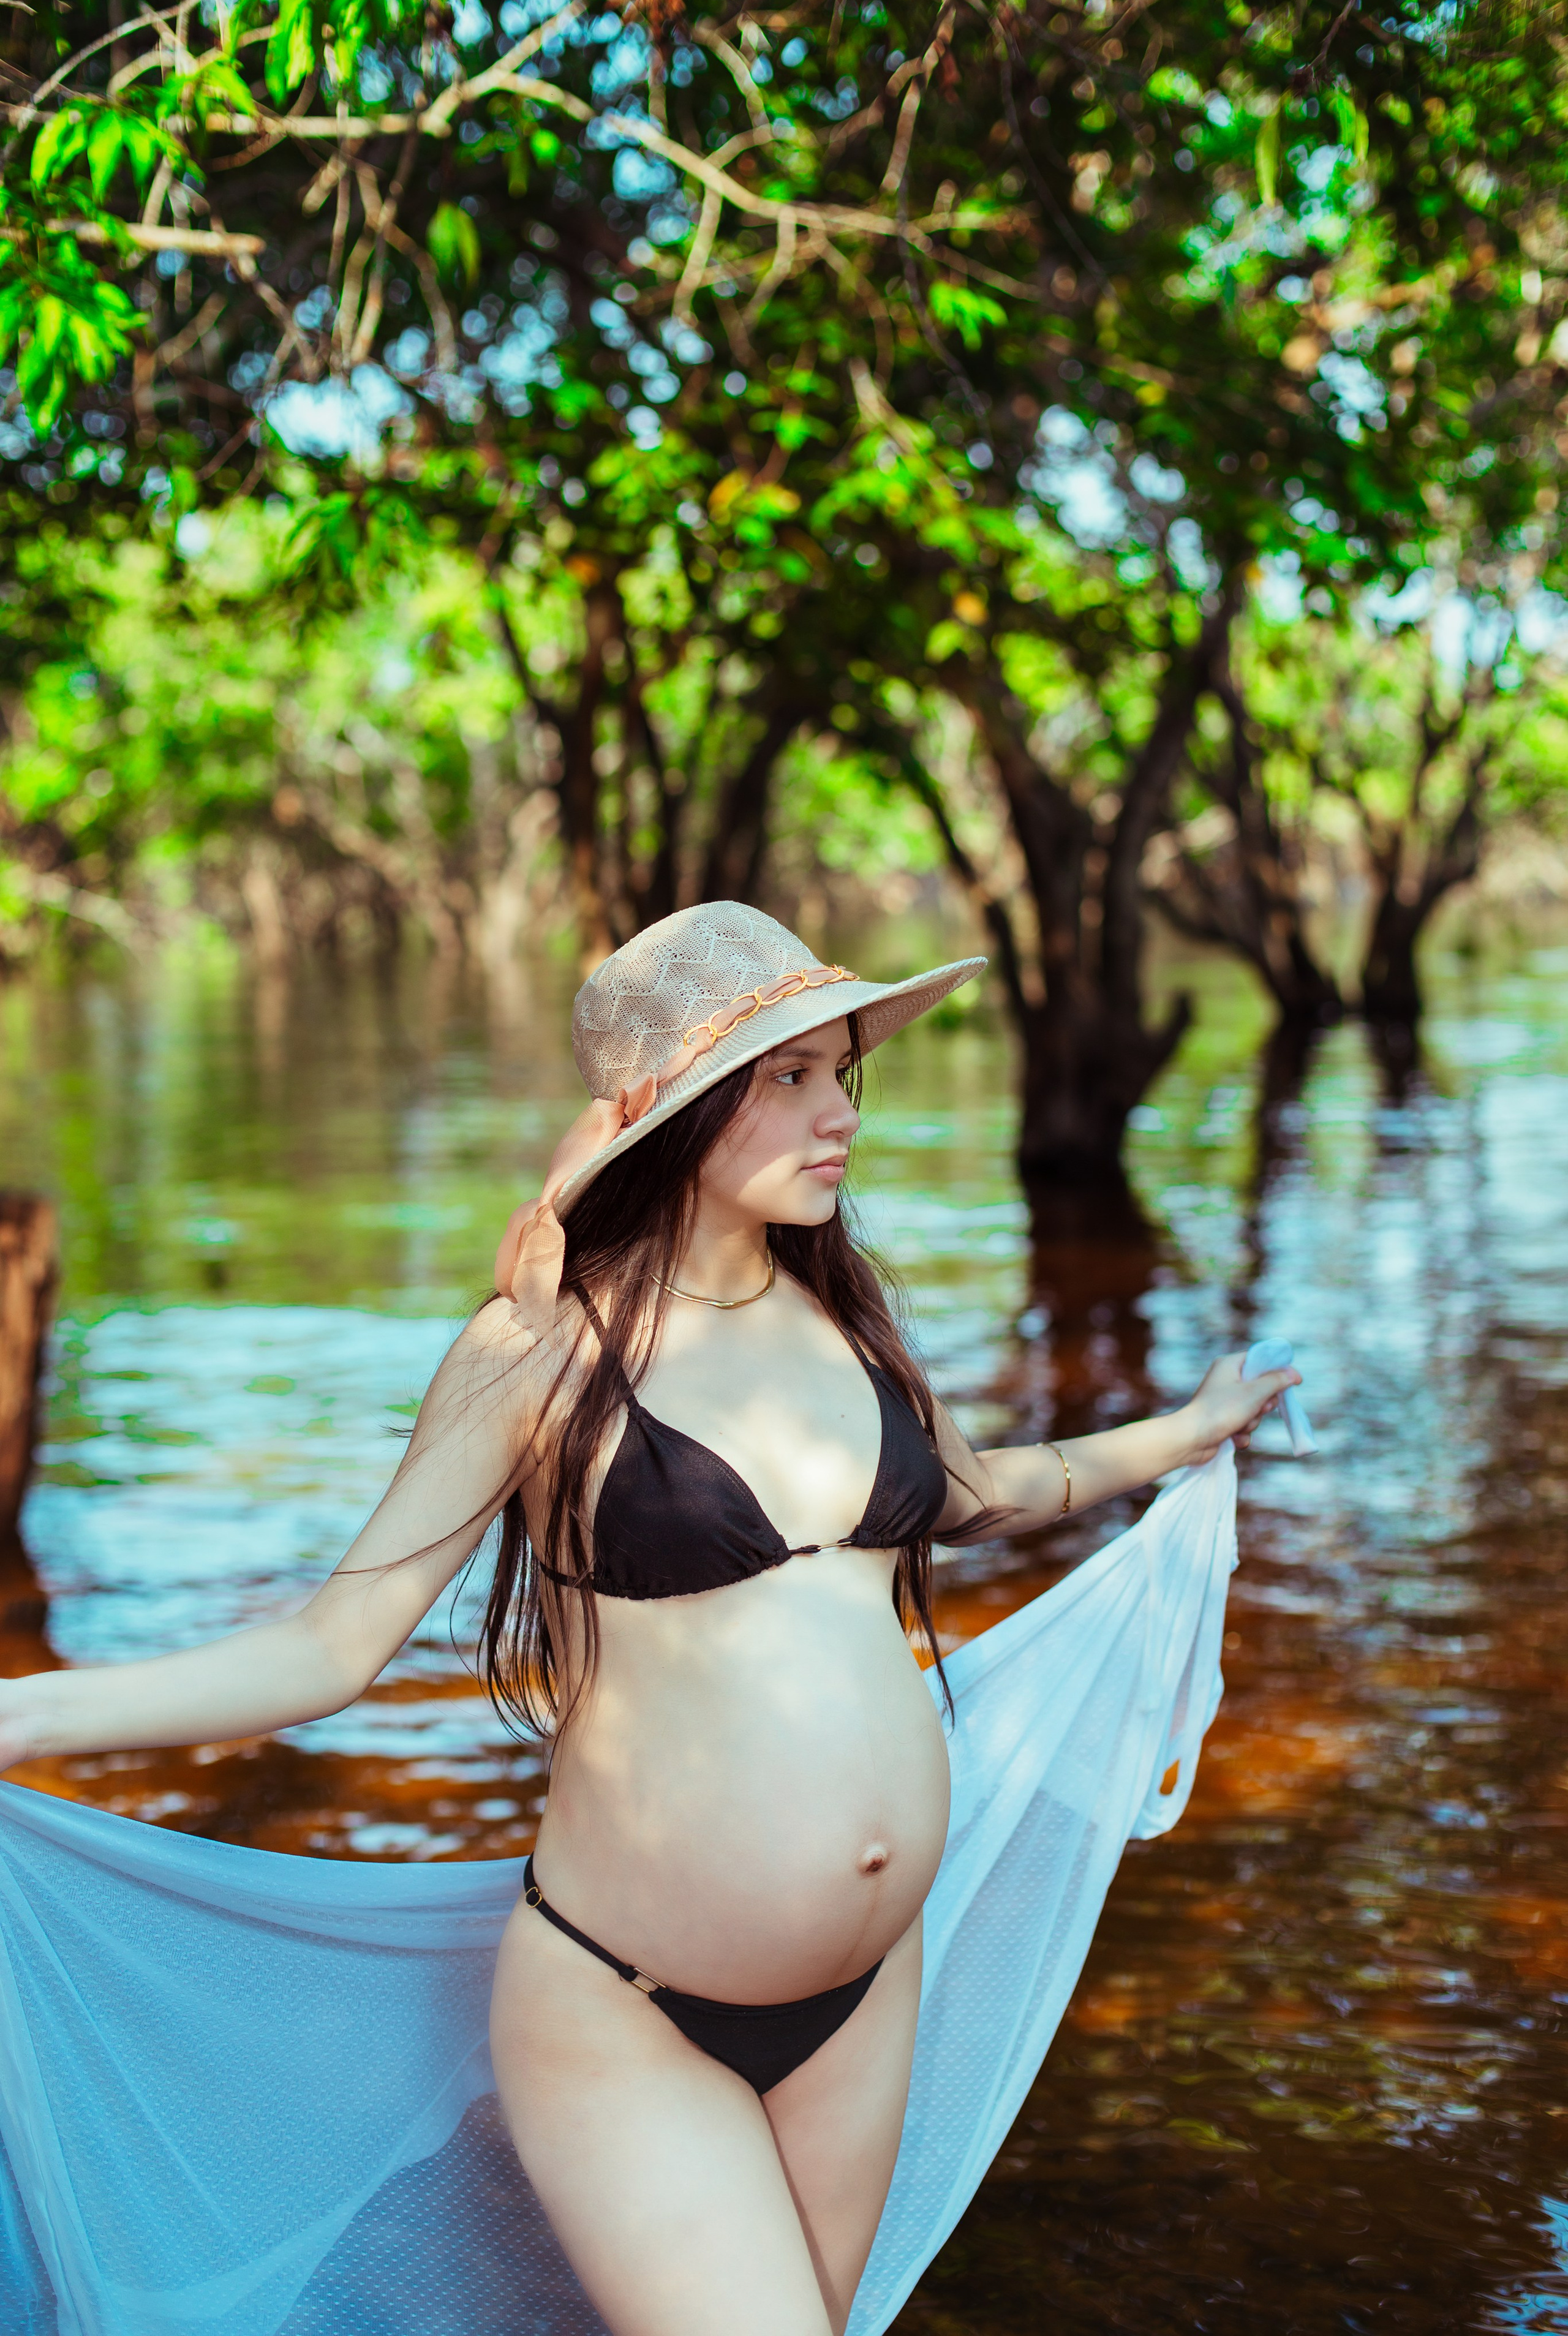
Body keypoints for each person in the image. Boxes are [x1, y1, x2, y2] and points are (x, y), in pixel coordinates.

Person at [0, 902, 1297, 2336]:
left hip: (865, 1992)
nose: (837, 1115)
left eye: (837, 1072)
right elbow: (329, 1649)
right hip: (626, 2007)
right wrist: (23, 1712)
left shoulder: (847, 1318)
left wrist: (1182, 1433)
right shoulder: (543, 1351)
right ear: (676, 1116)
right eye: (786, 1078)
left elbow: (980, 1493)